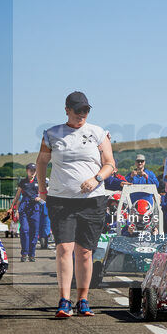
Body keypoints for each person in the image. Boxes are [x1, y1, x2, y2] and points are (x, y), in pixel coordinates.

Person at [37, 92, 115, 318]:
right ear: (67, 110)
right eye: (78, 110)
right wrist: (43, 190)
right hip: (61, 200)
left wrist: (96, 179)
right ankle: (64, 300)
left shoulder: (98, 133)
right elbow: (41, 162)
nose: (82, 114)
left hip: (92, 201)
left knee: (84, 252)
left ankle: (83, 299)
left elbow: (110, 164)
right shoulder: (52, 134)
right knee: (64, 248)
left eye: (86, 110)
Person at [10, 163, 41, 262]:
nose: (33, 172)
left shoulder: (39, 181)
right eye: (31, 170)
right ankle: (24, 253)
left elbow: (43, 194)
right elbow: (17, 196)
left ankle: (32, 254)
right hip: (24, 208)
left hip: (35, 208)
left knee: (34, 232)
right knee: (24, 230)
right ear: (27, 171)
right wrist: (12, 208)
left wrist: (39, 198)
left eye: (34, 170)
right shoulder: (23, 182)